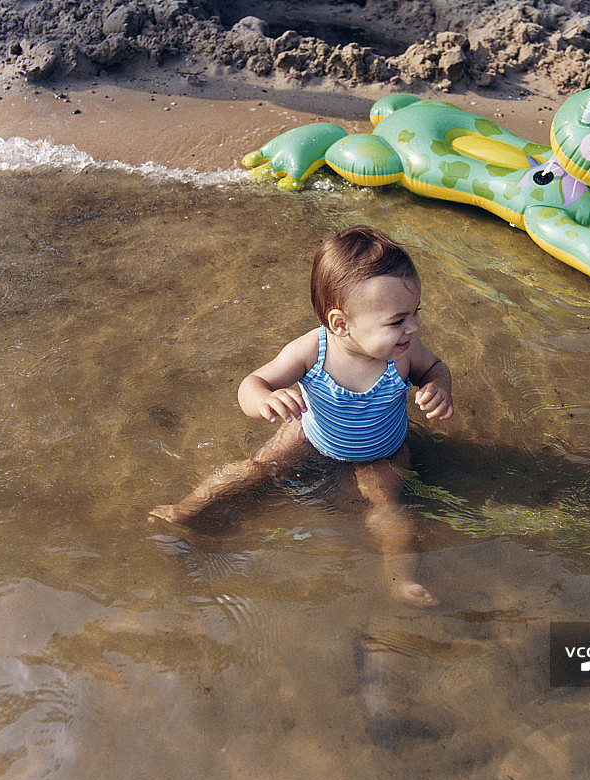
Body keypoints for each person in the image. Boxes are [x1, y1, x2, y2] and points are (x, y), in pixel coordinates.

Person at [150, 226, 453, 606]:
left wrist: (439, 388)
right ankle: (183, 511)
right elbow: (252, 383)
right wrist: (265, 399)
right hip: (309, 436)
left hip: (382, 451)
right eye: (398, 320)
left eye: (415, 312)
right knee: (254, 469)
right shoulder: (312, 350)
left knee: (388, 508)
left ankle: (400, 578)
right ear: (341, 324)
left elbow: (435, 368)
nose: (414, 326)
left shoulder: (405, 351)